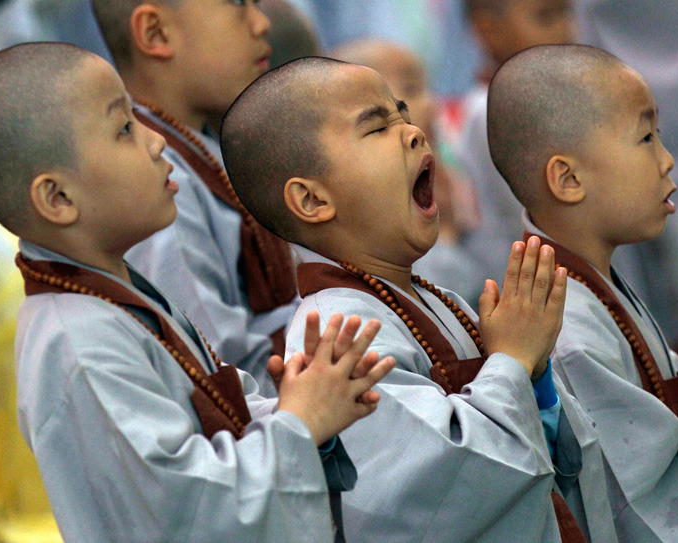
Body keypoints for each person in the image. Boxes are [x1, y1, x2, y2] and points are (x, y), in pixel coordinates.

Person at [0, 42, 395, 542]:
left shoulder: (117, 297)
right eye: (125, 129)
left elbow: (217, 421)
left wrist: (305, 401)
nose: (157, 142)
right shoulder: (79, 345)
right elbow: (180, 510)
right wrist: (299, 423)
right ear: (58, 197)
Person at [220, 56, 618, 543]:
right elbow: (442, 489)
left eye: (403, 114)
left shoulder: (440, 301)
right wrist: (514, 359)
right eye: (377, 127)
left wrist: (534, 375)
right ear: (312, 200)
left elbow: (551, 453)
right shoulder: (339, 336)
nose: (412, 132)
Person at [486, 44, 678, 541]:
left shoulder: (592, 287)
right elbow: (623, 501)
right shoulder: (562, 327)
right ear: (568, 179)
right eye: (646, 138)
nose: (667, 160)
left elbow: (656, 409)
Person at [90, 0, 295, 392]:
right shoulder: (156, 179)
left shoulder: (204, 144)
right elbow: (217, 371)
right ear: (156, 33)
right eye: (238, 4)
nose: (261, 23)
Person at [330, 39, 484, 304]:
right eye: (411, 89)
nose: (430, 104)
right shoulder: (374, 205)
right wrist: (443, 233)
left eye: (427, 87)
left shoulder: (451, 173)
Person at [454, 0, 576, 290]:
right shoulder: (491, 110)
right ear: (489, 30)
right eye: (546, 17)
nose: (566, 31)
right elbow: (551, 220)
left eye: (567, 14)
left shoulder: (563, 100)